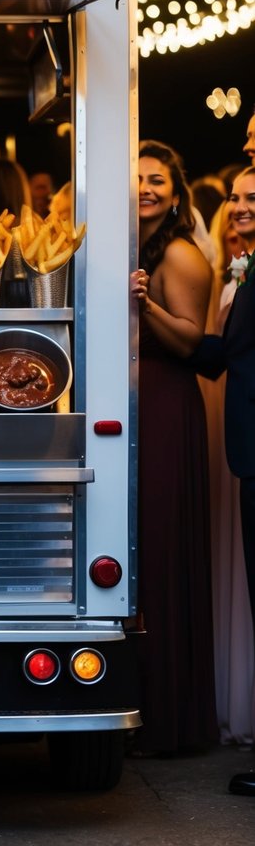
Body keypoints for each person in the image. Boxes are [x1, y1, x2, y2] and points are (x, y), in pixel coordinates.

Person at [128, 139, 218, 758]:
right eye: (135, 179)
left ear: (175, 189)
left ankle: (167, 716)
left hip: (164, 405)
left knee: (157, 548)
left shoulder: (181, 254)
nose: (145, 189)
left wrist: (144, 303)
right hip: (137, 404)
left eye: (156, 179)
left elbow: (189, 341)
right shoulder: (134, 245)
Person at [190, 166, 255, 795]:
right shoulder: (244, 265)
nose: (237, 206)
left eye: (252, 198)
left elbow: (226, 354)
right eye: (234, 197)